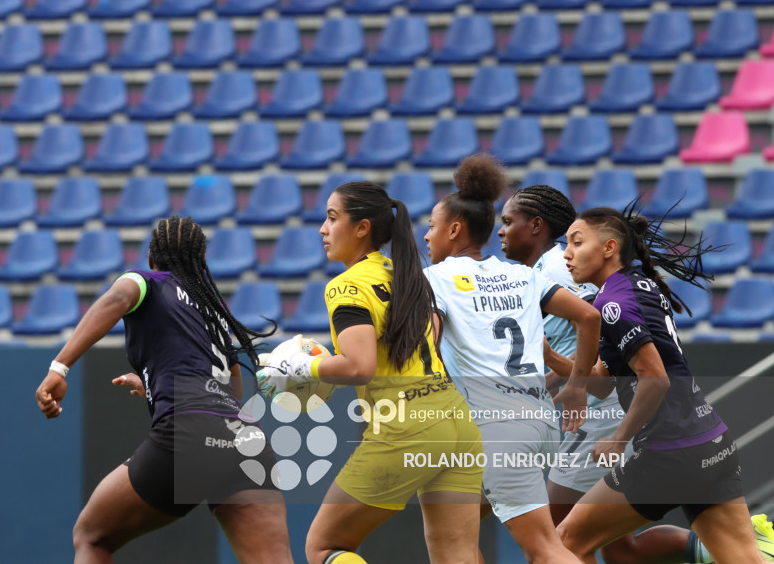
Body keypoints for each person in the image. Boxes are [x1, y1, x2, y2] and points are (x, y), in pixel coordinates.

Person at [35, 215, 294, 564]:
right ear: (202, 260)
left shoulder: (145, 281)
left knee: (91, 536)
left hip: (190, 431)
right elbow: (232, 385)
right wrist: (156, 386)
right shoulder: (214, 310)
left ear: (150, 257)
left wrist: (59, 367)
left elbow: (117, 298)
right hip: (246, 438)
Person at [501, 184, 734, 564]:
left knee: (559, 541)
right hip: (701, 437)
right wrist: (554, 364)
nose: (567, 252)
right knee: (620, 549)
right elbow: (603, 371)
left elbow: (635, 362)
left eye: (509, 221)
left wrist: (613, 432)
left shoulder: (586, 286)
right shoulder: (622, 285)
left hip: (639, 432)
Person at [257, 181, 484, 564]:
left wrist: (303, 366)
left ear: (362, 227)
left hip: (405, 428)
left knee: (324, 547)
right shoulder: (408, 274)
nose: (323, 229)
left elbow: (358, 367)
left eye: (332, 218)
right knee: (458, 557)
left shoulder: (346, 287)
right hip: (457, 422)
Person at [556, 205, 771, 564]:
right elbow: (602, 383)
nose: (567, 253)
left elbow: (655, 378)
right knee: (744, 559)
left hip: (670, 453)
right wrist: (548, 356)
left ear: (609, 247)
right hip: (711, 444)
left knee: (564, 543)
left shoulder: (613, 303)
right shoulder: (639, 286)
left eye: (576, 243)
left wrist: (618, 439)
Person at [421, 155, 601, 564]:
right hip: (539, 423)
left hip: (496, 428)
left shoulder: (435, 279)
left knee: (544, 548)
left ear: (454, 229)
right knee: (452, 531)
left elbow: (427, 347)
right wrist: (576, 388)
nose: (427, 236)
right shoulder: (523, 275)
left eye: (431, 226)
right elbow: (588, 318)